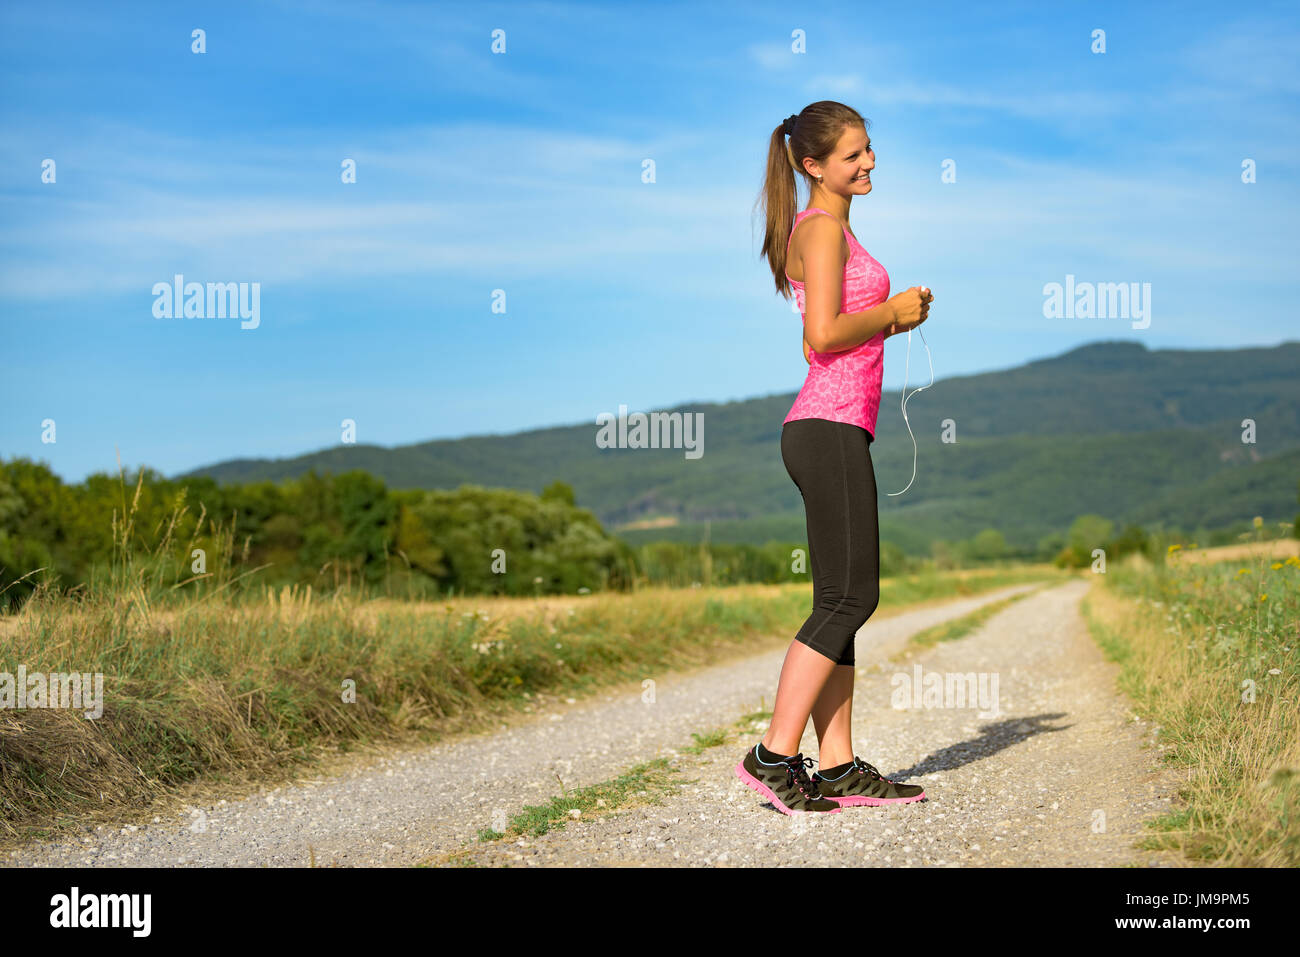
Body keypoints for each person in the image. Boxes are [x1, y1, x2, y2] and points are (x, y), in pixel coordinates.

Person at [736, 101, 933, 814]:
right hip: (827, 426)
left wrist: (883, 317)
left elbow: (809, 338)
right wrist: (893, 312)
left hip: (830, 423)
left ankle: (840, 762)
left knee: (837, 601)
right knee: (854, 597)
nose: (870, 162)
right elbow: (822, 336)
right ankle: (773, 754)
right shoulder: (821, 232)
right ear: (814, 165)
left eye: (871, 149)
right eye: (854, 155)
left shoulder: (827, 230)